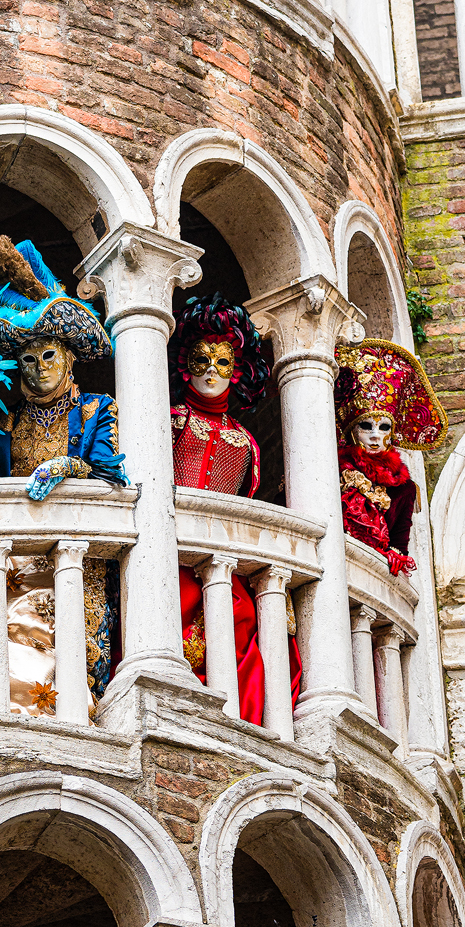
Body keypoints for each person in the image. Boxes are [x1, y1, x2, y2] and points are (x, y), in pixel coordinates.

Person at [0, 235, 124, 716]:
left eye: (49, 357)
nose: (38, 370)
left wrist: (69, 467)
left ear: (70, 357)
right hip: (9, 551)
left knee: (37, 628)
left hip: (64, 556)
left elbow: (111, 473)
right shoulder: (7, 421)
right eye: (28, 360)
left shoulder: (96, 409)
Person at [168, 293, 301, 728]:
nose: (210, 371)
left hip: (222, 562)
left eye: (222, 362)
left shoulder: (246, 442)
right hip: (172, 554)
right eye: (201, 360)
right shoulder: (170, 420)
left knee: (239, 629)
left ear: (237, 370)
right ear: (185, 365)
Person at [334, 339, 447, 576]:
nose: (375, 436)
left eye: (384, 427)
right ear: (351, 431)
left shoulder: (403, 489)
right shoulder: (333, 472)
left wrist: (394, 555)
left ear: (392, 433)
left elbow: (399, 544)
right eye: (366, 426)